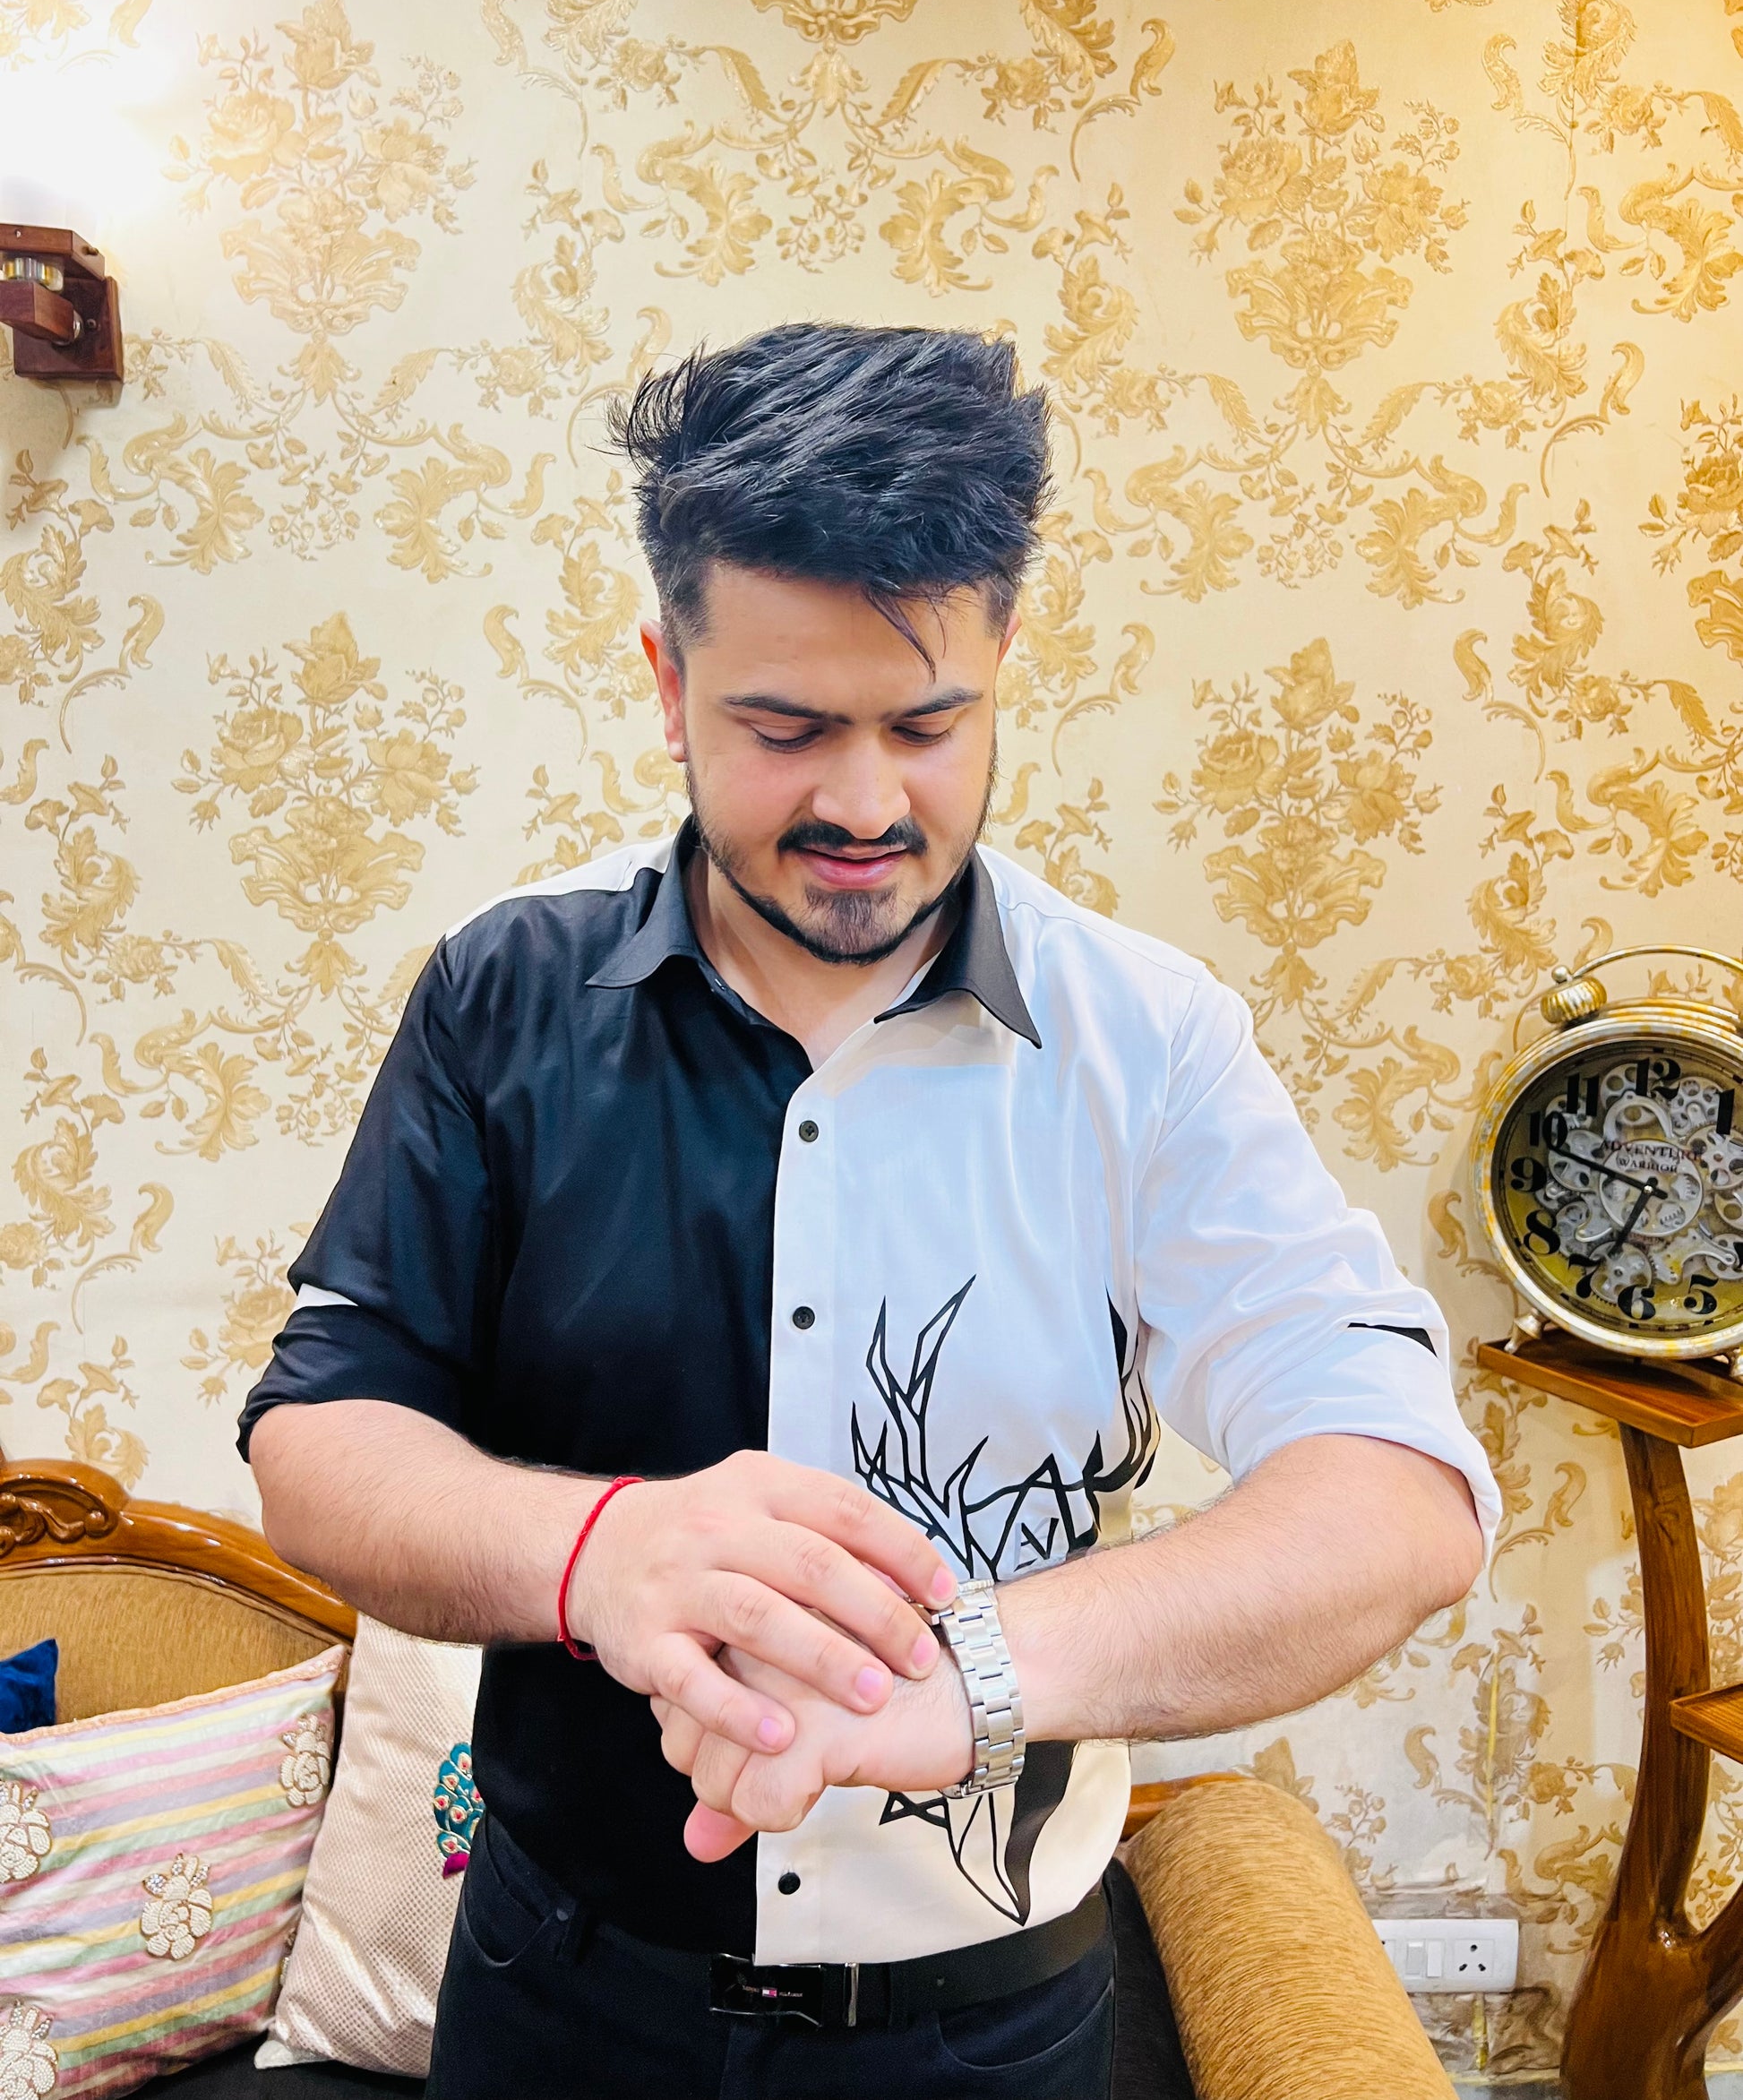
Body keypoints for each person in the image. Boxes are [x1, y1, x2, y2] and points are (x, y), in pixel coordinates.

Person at [242, 323, 1499, 2100]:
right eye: (783, 728)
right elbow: (320, 1437)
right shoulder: (499, 990)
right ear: (667, 681)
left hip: (988, 2034)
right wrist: (596, 1554)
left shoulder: (1144, 1038)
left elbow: (1397, 1490)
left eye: (926, 725)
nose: (860, 802)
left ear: (1004, 662)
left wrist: (970, 1669)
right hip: (557, 2000)